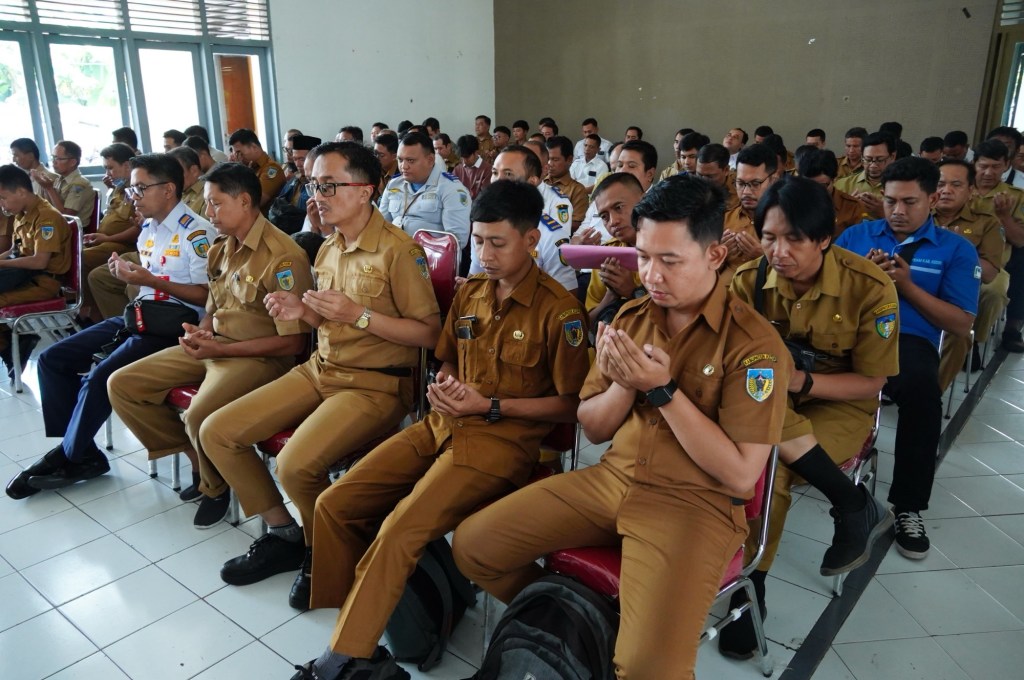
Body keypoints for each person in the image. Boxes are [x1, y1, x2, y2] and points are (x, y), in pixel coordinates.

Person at [452, 174, 791, 680]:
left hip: (692, 504)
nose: (651, 275)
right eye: (643, 256)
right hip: (613, 481)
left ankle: (623, 639)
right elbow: (591, 426)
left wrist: (662, 390)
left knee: (647, 668)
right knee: (475, 547)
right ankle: (587, 626)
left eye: (670, 261)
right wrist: (626, 385)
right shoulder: (632, 317)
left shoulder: (754, 346)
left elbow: (742, 476)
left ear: (715, 256)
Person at [289, 179, 589, 680]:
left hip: (502, 442)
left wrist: (491, 404)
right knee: (335, 504)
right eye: (479, 242)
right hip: (442, 423)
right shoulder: (471, 292)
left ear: (532, 241)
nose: (486, 254)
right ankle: (364, 621)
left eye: (498, 243)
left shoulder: (559, 312)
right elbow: (448, 361)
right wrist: (445, 387)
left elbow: (573, 407)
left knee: (400, 528)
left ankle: (347, 657)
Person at [200, 142, 441, 605]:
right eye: (314, 184)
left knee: (294, 465)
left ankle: (325, 549)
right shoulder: (329, 247)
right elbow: (325, 318)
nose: (318, 194)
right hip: (321, 368)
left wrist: (360, 315)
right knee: (218, 431)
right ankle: (284, 533)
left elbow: (430, 335)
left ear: (366, 191)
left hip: (376, 384)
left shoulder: (398, 252)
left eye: (330, 185)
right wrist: (302, 308)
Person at [722, 175, 897, 658]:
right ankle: (850, 502)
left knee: (768, 462)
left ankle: (749, 583)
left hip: (840, 402)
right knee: (762, 454)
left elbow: (873, 383)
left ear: (824, 238)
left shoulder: (868, 286)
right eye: (769, 236)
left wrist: (803, 383)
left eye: (794, 239)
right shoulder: (748, 280)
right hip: (773, 397)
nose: (778, 251)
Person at [108, 162, 315, 528]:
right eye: (206, 203)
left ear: (245, 201)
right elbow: (213, 305)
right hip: (215, 347)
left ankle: (231, 496)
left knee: (201, 415)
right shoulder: (222, 247)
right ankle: (202, 465)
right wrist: (201, 331)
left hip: (259, 358)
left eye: (215, 204)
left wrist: (221, 350)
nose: (208, 212)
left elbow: (293, 344)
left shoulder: (282, 256)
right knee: (122, 384)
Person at [4, 153, 211, 499]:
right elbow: (146, 284)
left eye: (141, 188)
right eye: (132, 190)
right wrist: (130, 275)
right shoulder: (149, 228)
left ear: (169, 189)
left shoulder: (198, 233)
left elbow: (207, 298)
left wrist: (150, 279)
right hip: (142, 315)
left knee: (100, 377)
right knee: (54, 359)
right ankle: (80, 450)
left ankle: (70, 456)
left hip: (174, 326)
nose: (134, 197)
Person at [836, 157, 980, 559]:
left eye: (909, 202)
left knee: (921, 394)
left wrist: (907, 287)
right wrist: (863, 277)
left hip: (906, 339)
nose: (897, 211)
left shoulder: (956, 249)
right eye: (890, 201)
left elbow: (961, 323)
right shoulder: (857, 236)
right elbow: (827, 291)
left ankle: (909, 506)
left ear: (933, 199)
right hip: (847, 333)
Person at [933, 159, 1006, 386]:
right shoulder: (916, 217)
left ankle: (932, 394)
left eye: (956, 185)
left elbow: (989, 273)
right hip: (915, 289)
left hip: (954, 296)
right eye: (940, 184)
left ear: (971, 190)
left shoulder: (986, 223)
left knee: (958, 334)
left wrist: (959, 250)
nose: (946, 191)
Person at [468, 146, 576, 293]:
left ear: (532, 182)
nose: (498, 181)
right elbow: (475, 278)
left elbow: (566, 297)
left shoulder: (551, 234)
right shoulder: (483, 226)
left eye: (508, 173)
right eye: (494, 173)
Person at [0, 165, 73, 376]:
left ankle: (9, 348)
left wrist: (2, 264)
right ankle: (15, 345)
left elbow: (40, 261)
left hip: (44, 282)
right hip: (23, 277)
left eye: (3, 198)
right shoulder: (22, 215)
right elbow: (15, 251)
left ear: (21, 191)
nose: (1, 204)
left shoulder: (46, 217)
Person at [379, 131, 472, 251]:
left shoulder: (451, 189)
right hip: (394, 256)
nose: (403, 166)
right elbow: (380, 225)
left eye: (411, 161)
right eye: (400, 160)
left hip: (431, 260)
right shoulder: (394, 184)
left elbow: (456, 241)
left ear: (430, 160)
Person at [81, 143, 139, 322]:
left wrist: (107, 238)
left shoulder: (138, 191)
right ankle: (92, 308)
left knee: (81, 259)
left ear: (127, 166)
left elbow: (137, 229)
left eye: (110, 168)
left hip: (122, 245)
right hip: (106, 241)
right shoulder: (118, 190)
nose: (107, 174)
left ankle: (91, 311)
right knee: (76, 254)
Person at [584, 173, 645, 324]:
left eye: (618, 208)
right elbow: (588, 323)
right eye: (604, 216)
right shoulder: (607, 256)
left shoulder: (670, 251)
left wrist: (632, 292)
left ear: (644, 201)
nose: (613, 221)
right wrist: (611, 295)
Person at [722, 144, 778, 280]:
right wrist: (719, 256)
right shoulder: (724, 219)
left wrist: (764, 257)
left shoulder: (788, 222)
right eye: (740, 183)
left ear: (773, 180)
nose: (746, 192)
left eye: (755, 184)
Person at [798, 148, 864, 235]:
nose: (814, 191)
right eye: (808, 185)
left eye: (822, 186)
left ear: (834, 179)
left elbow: (856, 242)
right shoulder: (792, 202)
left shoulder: (852, 207)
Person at [32, 140, 95, 228]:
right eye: (53, 157)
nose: (54, 162)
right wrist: (43, 185)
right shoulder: (59, 179)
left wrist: (49, 188)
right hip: (57, 227)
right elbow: (49, 206)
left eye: (58, 158)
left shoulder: (79, 184)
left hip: (72, 232)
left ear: (73, 162)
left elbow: (66, 217)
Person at [835, 131, 894, 220]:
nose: (873, 165)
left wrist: (884, 213)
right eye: (868, 159)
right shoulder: (842, 185)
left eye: (880, 160)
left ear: (892, 157)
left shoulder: (904, 188)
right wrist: (847, 209)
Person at [228, 128, 285, 212]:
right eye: (233, 153)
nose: (236, 157)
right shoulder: (250, 167)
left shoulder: (272, 169)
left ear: (254, 147)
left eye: (238, 153)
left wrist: (239, 169)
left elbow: (256, 201)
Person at [544, 136, 588, 231]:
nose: (549, 164)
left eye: (555, 160)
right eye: (548, 159)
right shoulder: (539, 182)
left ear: (569, 159)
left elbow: (576, 224)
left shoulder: (577, 190)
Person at [695, 142, 739, 211]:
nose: (703, 181)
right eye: (699, 175)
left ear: (726, 170)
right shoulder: (689, 186)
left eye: (709, 176)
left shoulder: (741, 191)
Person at [168, 146, 207, 215]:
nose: (171, 178)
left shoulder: (208, 193)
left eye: (176, 172)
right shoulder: (176, 193)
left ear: (194, 171)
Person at [452, 134, 491, 199]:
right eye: (462, 157)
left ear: (476, 152)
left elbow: (485, 197)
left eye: (467, 157)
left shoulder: (487, 170)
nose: (464, 161)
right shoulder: (457, 169)